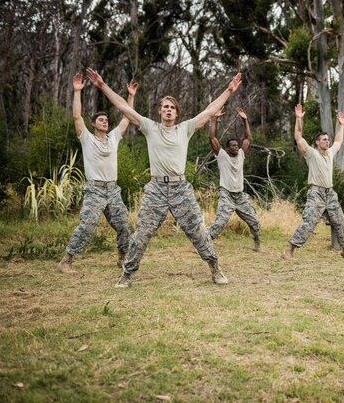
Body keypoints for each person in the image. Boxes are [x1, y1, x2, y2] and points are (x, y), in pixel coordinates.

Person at [85, 67, 242, 288]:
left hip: (180, 188)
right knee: (141, 233)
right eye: (165, 107)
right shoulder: (150, 127)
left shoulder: (185, 128)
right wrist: (102, 85)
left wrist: (229, 90)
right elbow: (122, 106)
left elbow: (208, 111)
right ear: (160, 112)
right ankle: (127, 274)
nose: (168, 110)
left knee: (198, 231)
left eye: (172, 108)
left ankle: (215, 268)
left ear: (177, 113)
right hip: (156, 189)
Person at [57, 72, 137, 274]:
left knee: (124, 226)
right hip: (95, 190)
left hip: (113, 189)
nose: (105, 121)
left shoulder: (113, 138)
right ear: (93, 124)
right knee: (87, 225)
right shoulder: (87, 138)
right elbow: (76, 116)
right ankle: (66, 261)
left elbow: (127, 116)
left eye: (106, 119)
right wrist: (77, 92)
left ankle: (122, 258)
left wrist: (131, 96)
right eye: (100, 120)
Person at [282, 103, 344, 259]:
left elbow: (339, 142)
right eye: (324, 140)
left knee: (339, 221)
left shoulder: (330, 153)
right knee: (309, 223)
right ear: (317, 142)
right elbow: (298, 137)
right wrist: (298, 119)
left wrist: (341, 125)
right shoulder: (311, 153)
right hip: (316, 193)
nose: (327, 141)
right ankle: (290, 250)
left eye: (328, 139)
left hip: (330, 193)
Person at [207, 107, 261, 251]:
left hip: (240, 196)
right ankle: (203, 243)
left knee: (254, 221)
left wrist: (245, 120)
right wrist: (214, 120)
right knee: (220, 223)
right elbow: (212, 137)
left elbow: (248, 138)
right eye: (233, 146)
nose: (236, 147)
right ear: (227, 148)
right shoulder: (222, 156)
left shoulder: (241, 155)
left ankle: (257, 245)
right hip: (226, 195)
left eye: (237, 145)